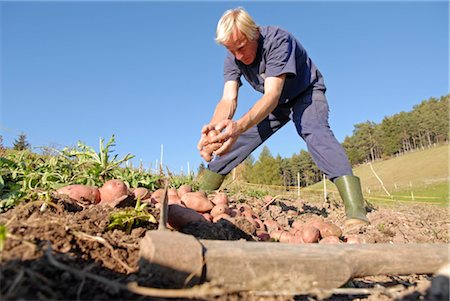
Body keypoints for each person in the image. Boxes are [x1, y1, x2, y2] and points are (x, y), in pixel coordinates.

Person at [197, 7, 369, 226]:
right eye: (231, 50)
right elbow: (228, 99)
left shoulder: (277, 39)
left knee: (314, 131)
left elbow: (271, 95)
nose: (238, 56)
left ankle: (355, 208)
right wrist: (214, 130)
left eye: (240, 47)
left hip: (305, 93)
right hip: (276, 103)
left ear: (253, 34)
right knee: (239, 138)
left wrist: (238, 125)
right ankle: (202, 192)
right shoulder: (233, 57)